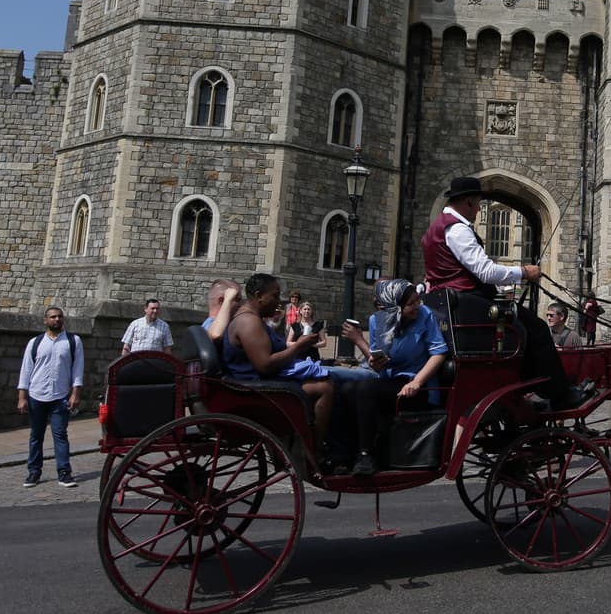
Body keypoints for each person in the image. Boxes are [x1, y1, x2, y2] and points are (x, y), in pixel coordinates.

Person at [422, 176, 585, 410]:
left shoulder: (435, 229)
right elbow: (485, 271)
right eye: (478, 203)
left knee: (524, 328)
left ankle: (532, 386)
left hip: (452, 304)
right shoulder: (457, 230)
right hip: (470, 304)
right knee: (537, 328)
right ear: (468, 201)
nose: (479, 209)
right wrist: (524, 272)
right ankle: (559, 395)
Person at [340, 279, 449, 476]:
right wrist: (375, 362)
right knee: (347, 389)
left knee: (366, 388)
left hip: (418, 385)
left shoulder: (425, 316)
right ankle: (349, 451)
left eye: (417, 300)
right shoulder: (376, 322)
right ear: (394, 308)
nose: (417, 306)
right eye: (411, 304)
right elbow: (377, 360)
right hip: (391, 381)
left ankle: (367, 455)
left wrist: (417, 382)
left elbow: (438, 353)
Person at [223, 273, 335, 454]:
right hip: (255, 387)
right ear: (259, 296)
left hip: (257, 381)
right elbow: (265, 364)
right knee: (326, 387)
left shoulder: (253, 319)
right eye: (275, 296)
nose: (279, 302)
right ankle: (314, 450)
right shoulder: (249, 322)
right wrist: (299, 346)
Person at [16, 306, 83, 488]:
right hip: (37, 395)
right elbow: (26, 371)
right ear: (45, 320)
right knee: (36, 435)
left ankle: (64, 472)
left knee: (60, 434)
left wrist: (75, 393)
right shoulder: (35, 343)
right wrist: (22, 397)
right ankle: (34, 472)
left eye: (59, 317)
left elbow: (77, 369)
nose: (57, 320)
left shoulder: (73, 341)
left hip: (60, 396)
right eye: (53, 317)